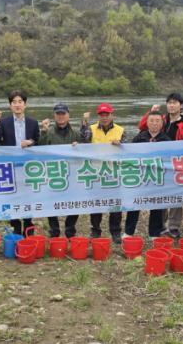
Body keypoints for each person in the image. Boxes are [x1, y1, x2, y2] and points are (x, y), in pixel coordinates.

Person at [139, 93, 183, 237]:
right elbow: (142, 126)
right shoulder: (161, 119)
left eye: (175, 103)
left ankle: (174, 226)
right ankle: (160, 225)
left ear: (181, 105)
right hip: (160, 164)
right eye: (169, 102)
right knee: (161, 193)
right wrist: (151, 112)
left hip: (176, 163)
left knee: (176, 195)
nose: (171, 105)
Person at [0, 90, 40, 236]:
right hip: (10, 166)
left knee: (28, 194)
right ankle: (15, 224)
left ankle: (28, 223)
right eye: (14, 102)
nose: (17, 105)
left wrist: (31, 142)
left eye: (20, 102)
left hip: (27, 165)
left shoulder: (33, 123)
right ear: (10, 105)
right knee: (12, 195)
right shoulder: (3, 122)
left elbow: (38, 141)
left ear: (25, 104)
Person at [80, 102, 125, 244]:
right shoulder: (91, 129)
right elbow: (83, 142)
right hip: (96, 173)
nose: (104, 117)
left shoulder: (121, 130)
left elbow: (129, 150)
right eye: (102, 115)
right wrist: (84, 124)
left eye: (107, 114)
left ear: (112, 115)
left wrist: (121, 145)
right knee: (96, 204)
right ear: (98, 116)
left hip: (114, 174)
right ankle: (95, 230)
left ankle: (115, 231)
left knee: (115, 205)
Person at [38, 103, 82, 238]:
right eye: (58, 114)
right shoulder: (47, 132)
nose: (61, 116)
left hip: (72, 173)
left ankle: (70, 228)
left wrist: (80, 146)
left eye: (63, 114)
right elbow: (39, 149)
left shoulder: (76, 133)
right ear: (54, 116)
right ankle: (54, 229)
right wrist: (43, 132)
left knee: (75, 201)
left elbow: (86, 151)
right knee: (50, 201)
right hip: (53, 173)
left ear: (68, 115)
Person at [124, 111, 170, 238]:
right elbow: (129, 154)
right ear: (147, 122)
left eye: (157, 121)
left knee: (156, 205)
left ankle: (154, 233)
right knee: (134, 204)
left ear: (162, 123)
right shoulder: (139, 137)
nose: (154, 123)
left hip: (157, 177)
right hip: (140, 176)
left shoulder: (167, 140)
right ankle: (128, 232)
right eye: (151, 121)